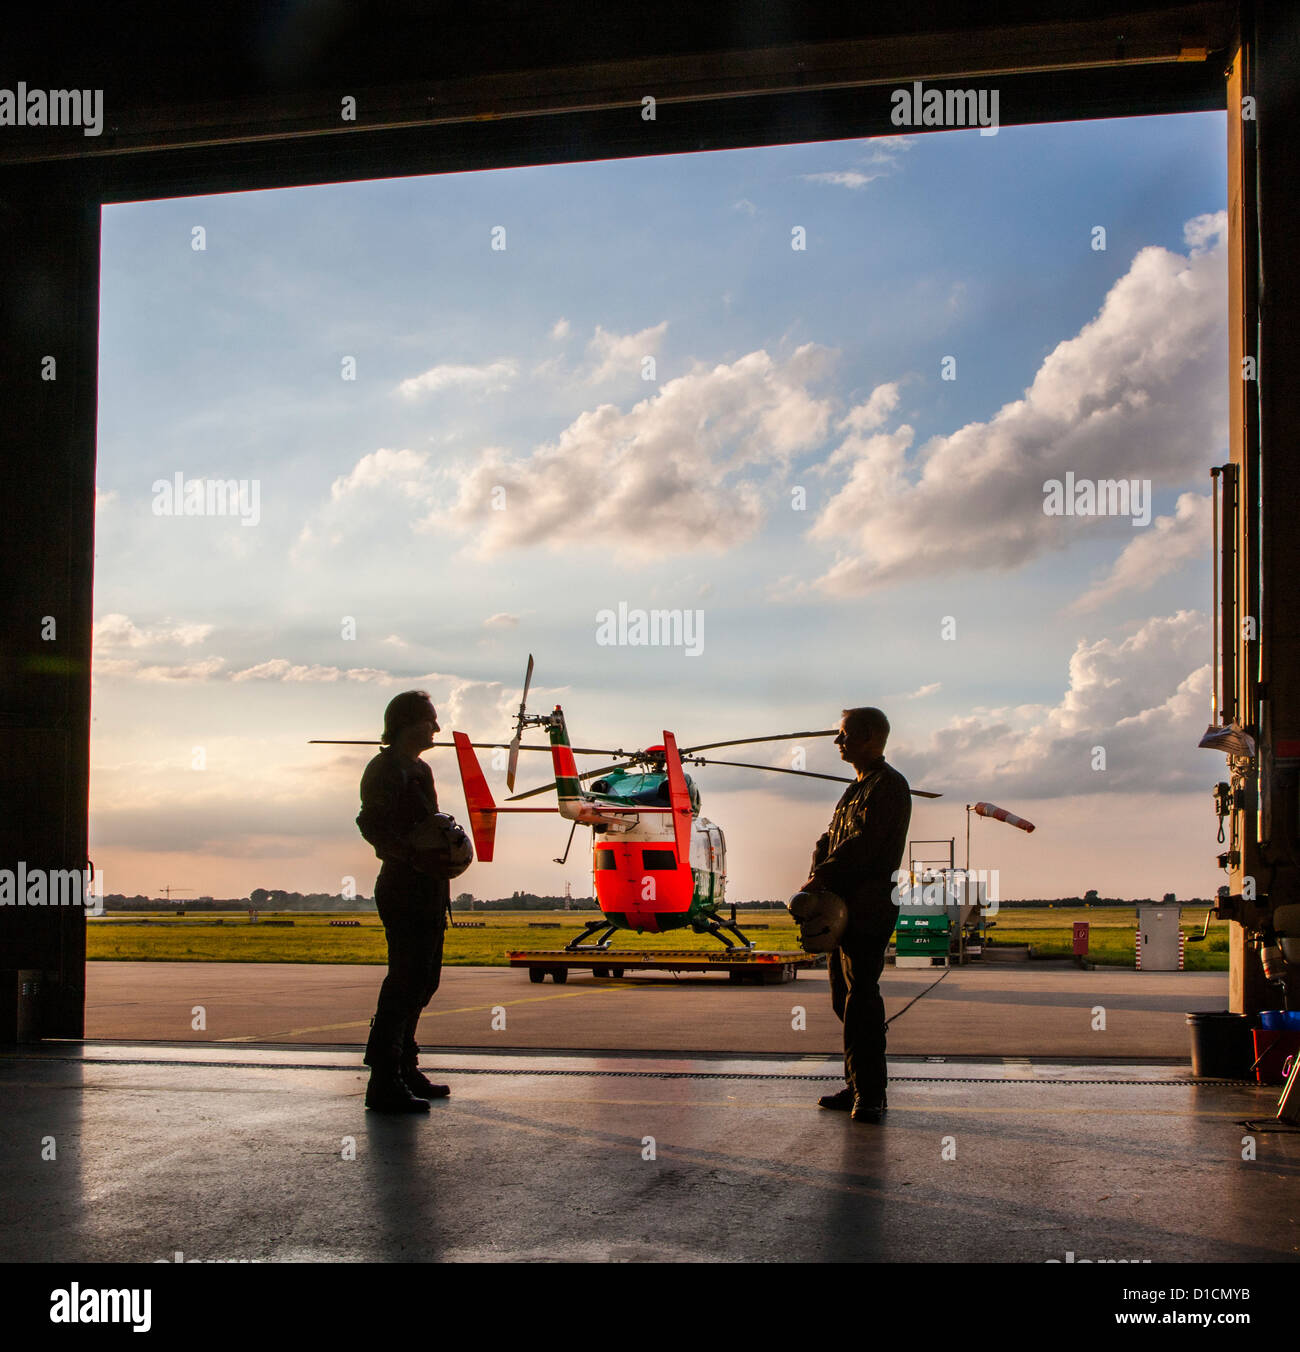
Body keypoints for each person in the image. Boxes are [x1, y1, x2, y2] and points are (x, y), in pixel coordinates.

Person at [803, 706, 911, 1124]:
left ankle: (870, 1094)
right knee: (842, 999)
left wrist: (821, 876)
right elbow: (832, 839)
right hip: (841, 906)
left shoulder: (889, 786)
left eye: (844, 734)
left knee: (861, 997)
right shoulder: (855, 789)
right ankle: (857, 1081)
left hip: (868, 906)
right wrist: (816, 871)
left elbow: (863, 846)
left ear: (868, 736)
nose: (838, 742)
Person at [357, 690, 453, 1113]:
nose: (436, 727)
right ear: (406, 722)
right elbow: (370, 824)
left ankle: (405, 1065)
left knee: (425, 979)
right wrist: (410, 855)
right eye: (430, 719)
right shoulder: (384, 769)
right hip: (403, 885)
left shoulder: (420, 769)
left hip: (430, 886)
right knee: (404, 981)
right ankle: (383, 1079)